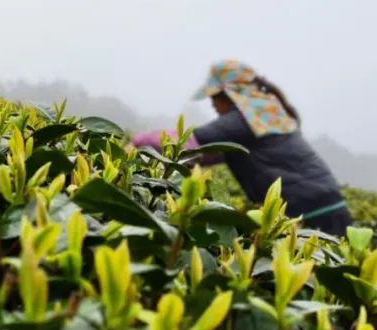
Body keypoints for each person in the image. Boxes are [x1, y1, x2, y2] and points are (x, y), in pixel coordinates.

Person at [133, 60, 350, 236]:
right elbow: (211, 153)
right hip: (330, 203)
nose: (212, 104)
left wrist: (137, 142)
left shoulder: (244, 117)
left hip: (305, 211)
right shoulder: (264, 110)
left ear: (230, 94)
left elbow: (187, 143)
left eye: (214, 97)